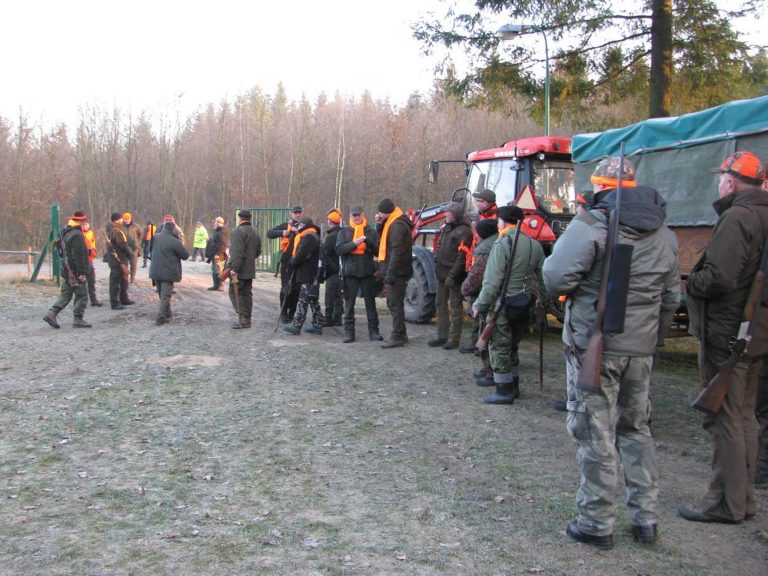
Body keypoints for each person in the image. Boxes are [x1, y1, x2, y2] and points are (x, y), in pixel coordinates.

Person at [543, 156, 680, 550]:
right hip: (640, 349)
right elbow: (671, 298)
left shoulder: (592, 225)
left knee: (595, 434)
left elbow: (554, 277)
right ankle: (645, 519)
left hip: (595, 347)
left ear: (598, 187)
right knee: (637, 431)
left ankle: (596, 522)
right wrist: (651, 337)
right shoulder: (665, 235)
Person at [679, 150, 768, 525]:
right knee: (745, 416)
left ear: (730, 182)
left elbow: (719, 278)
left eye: (721, 178)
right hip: (755, 332)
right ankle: (742, 499)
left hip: (728, 330)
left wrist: (689, 282)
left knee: (725, 417)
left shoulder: (737, 217)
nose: (718, 183)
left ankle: (724, 503)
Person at [472, 206, 547, 404]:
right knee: (513, 345)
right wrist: (543, 301)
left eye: (498, 221)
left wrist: (480, 304)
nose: (497, 224)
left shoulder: (502, 243)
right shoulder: (534, 245)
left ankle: (504, 391)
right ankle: (514, 386)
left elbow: (492, 280)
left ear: (503, 222)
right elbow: (542, 278)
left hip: (503, 304)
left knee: (499, 347)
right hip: (525, 304)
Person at [428, 201, 473, 350]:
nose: (445, 214)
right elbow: (440, 245)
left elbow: (462, 257)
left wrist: (453, 276)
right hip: (441, 272)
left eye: (448, 212)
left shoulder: (464, 232)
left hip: (454, 276)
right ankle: (442, 336)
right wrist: (436, 258)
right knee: (439, 304)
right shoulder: (447, 227)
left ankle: (454, 339)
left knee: (455, 307)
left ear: (455, 215)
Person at [336, 204, 382, 343]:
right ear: (350, 217)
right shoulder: (344, 232)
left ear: (363, 215)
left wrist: (367, 242)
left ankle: (374, 332)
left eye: (358, 215)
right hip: (350, 273)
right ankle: (349, 333)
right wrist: (354, 244)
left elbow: (378, 251)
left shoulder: (371, 232)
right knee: (349, 305)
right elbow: (339, 250)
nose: (356, 217)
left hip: (368, 272)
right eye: (354, 215)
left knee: (371, 304)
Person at [460, 218, 498, 384]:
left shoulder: (484, 250)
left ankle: (490, 370)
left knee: (487, 333)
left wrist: (466, 288)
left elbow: (478, 274)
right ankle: (489, 368)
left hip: (485, 295)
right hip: (493, 294)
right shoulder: (498, 242)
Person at [43, 210, 92, 329]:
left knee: (66, 293)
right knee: (82, 295)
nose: (84, 223)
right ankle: (78, 319)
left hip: (66, 268)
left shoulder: (65, 231)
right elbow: (78, 255)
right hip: (74, 270)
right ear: (80, 221)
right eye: (83, 221)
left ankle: (52, 313)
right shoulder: (77, 235)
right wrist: (82, 272)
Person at [376, 198, 414, 348]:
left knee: (395, 303)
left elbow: (397, 250)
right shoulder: (394, 222)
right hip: (398, 269)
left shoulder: (396, 225)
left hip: (398, 271)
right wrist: (380, 224)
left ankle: (397, 336)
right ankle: (401, 333)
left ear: (385, 212)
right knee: (393, 302)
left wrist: (390, 272)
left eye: (379, 211)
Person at [283, 216, 324, 335]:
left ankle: (296, 325)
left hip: (308, 272)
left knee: (303, 299)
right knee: (312, 299)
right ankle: (317, 324)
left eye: (300, 225)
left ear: (305, 226)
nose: (298, 227)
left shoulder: (309, 237)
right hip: (312, 272)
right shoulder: (313, 235)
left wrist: (292, 262)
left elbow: (301, 254)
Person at [224, 210, 262, 329]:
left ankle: (243, 318)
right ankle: (247, 319)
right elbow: (258, 251)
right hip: (250, 269)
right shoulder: (255, 232)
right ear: (249, 218)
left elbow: (237, 253)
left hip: (239, 270)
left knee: (234, 293)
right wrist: (249, 260)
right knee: (247, 294)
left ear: (240, 218)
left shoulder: (237, 232)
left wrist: (234, 268)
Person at [148, 219, 189, 325]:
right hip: (168, 272)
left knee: (162, 294)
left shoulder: (155, 237)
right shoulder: (175, 241)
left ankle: (168, 313)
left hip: (155, 271)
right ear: (173, 229)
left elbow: (149, 250)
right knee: (166, 295)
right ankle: (160, 318)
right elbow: (185, 255)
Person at [267, 206, 304, 323]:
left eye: (299, 213)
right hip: (286, 261)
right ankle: (283, 312)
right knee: (286, 288)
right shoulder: (285, 226)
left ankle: (292, 312)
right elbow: (269, 233)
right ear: (291, 214)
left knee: (297, 289)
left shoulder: (304, 227)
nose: (297, 215)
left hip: (299, 261)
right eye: (295, 213)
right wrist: (283, 232)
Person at [104, 212, 134, 310]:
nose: (122, 220)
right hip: (117, 260)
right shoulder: (116, 231)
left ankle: (124, 299)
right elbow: (122, 245)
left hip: (120, 259)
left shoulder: (114, 230)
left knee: (123, 280)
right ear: (117, 220)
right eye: (121, 219)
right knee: (115, 282)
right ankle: (114, 303)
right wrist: (130, 253)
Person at [322, 208, 344, 327]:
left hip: (332, 269)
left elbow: (325, 251)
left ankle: (328, 318)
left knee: (329, 294)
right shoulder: (342, 233)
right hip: (341, 269)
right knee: (338, 295)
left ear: (330, 222)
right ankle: (338, 318)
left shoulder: (331, 237)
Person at [81, 220, 102, 307]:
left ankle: (93, 300)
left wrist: (93, 250)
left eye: (87, 225)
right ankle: (81, 301)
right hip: (82, 259)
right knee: (81, 281)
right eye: (84, 225)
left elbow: (93, 242)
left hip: (90, 259)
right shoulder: (79, 234)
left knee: (92, 280)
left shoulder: (91, 233)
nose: (86, 226)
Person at [205, 216, 229, 291]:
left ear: (219, 222)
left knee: (218, 270)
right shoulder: (217, 231)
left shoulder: (222, 231)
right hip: (214, 254)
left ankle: (220, 285)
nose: (214, 223)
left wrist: (218, 254)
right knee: (214, 269)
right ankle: (215, 285)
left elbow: (223, 244)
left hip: (219, 255)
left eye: (216, 221)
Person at [122, 212, 142, 284]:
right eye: (125, 219)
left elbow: (140, 234)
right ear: (123, 220)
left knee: (133, 264)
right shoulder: (120, 227)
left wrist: (138, 244)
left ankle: (132, 279)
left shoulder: (135, 226)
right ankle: (125, 278)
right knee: (125, 264)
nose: (127, 221)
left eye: (128, 219)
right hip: (124, 248)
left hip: (134, 248)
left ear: (131, 219)